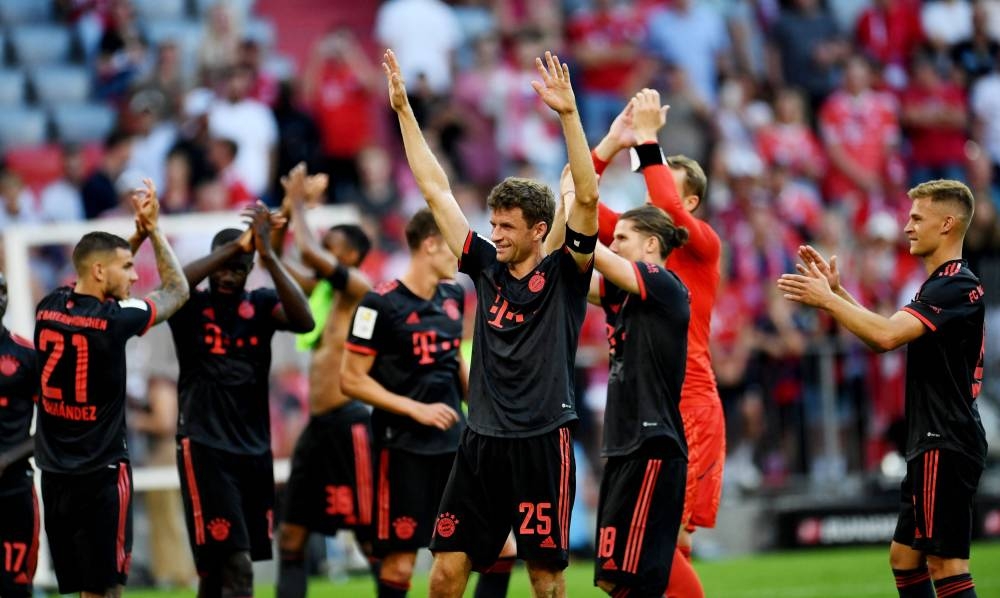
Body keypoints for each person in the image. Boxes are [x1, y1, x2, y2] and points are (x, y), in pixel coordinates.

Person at [384, 47, 599, 597]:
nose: (496, 234)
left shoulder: (566, 275)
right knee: (447, 571)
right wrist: (405, 112)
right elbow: (436, 190)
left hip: (541, 441)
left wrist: (570, 117)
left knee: (546, 577)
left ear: (538, 229)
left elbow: (589, 197)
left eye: (507, 226)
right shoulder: (483, 265)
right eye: (493, 223)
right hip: (480, 441)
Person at [777, 179, 986, 598]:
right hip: (936, 436)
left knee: (946, 565)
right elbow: (881, 335)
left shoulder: (953, 285)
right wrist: (838, 293)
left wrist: (827, 302)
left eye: (916, 218)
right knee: (904, 558)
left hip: (944, 438)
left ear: (947, 224)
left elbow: (888, 336)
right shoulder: (944, 284)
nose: (907, 226)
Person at [590, 89, 723, 597]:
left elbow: (664, 202)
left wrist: (647, 137)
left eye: (660, 189)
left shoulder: (702, 245)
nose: (651, 202)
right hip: (645, 404)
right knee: (647, 551)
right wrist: (609, 144)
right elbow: (582, 202)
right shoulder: (640, 244)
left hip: (686, 402)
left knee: (664, 540)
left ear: (688, 203)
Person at [33, 180, 189, 598]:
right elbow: (177, 290)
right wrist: (154, 231)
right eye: (128, 267)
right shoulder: (115, 321)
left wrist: (131, 237)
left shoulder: (48, 306)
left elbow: (92, 278)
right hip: (100, 474)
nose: (136, 275)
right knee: (106, 588)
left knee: (85, 588)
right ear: (101, 271)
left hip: (55, 472)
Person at [169, 204, 314, 598]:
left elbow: (305, 320)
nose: (229, 274)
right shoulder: (190, 305)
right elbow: (172, 284)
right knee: (238, 569)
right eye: (223, 265)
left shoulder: (263, 303)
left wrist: (267, 255)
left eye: (239, 266)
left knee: (215, 573)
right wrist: (232, 249)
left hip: (253, 449)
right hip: (204, 446)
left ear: (251, 268)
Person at [341, 208, 468, 597]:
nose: (458, 256)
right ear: (430, 244)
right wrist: (415, 408)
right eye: (451, 245)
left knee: (489, 547)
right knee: (400, 559)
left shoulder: (454, 295)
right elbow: (351, 379)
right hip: (402, 447)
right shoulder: (378, 304)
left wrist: (480, 406)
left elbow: (453, 360)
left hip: (454, 445)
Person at [274, 166, 376, 598]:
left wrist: (300, 205)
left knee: (370, 538)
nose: (320, 250)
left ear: (349, 257)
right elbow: (276, 259)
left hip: (351, 424)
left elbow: (311, 254)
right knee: (292, 535)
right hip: (318, 426)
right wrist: (285, 213)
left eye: (331, 245)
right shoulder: (323, 292)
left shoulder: (358, 288)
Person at [586, 201, 692, 597]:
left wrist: (576, 201)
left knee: (638, 581)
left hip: (652, 445)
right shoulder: (624, 295)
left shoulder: (663, 283)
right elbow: (573, 265)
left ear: (650, 245)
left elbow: (589, 252)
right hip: (625, 445)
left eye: (622, 238)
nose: (613, 245)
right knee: (615, 578)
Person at [0, 273, 40, 598]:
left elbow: (59, 425)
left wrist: (7, 458)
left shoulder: (27, 355)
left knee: (15, 587)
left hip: (13, 490)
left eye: (1, 290)